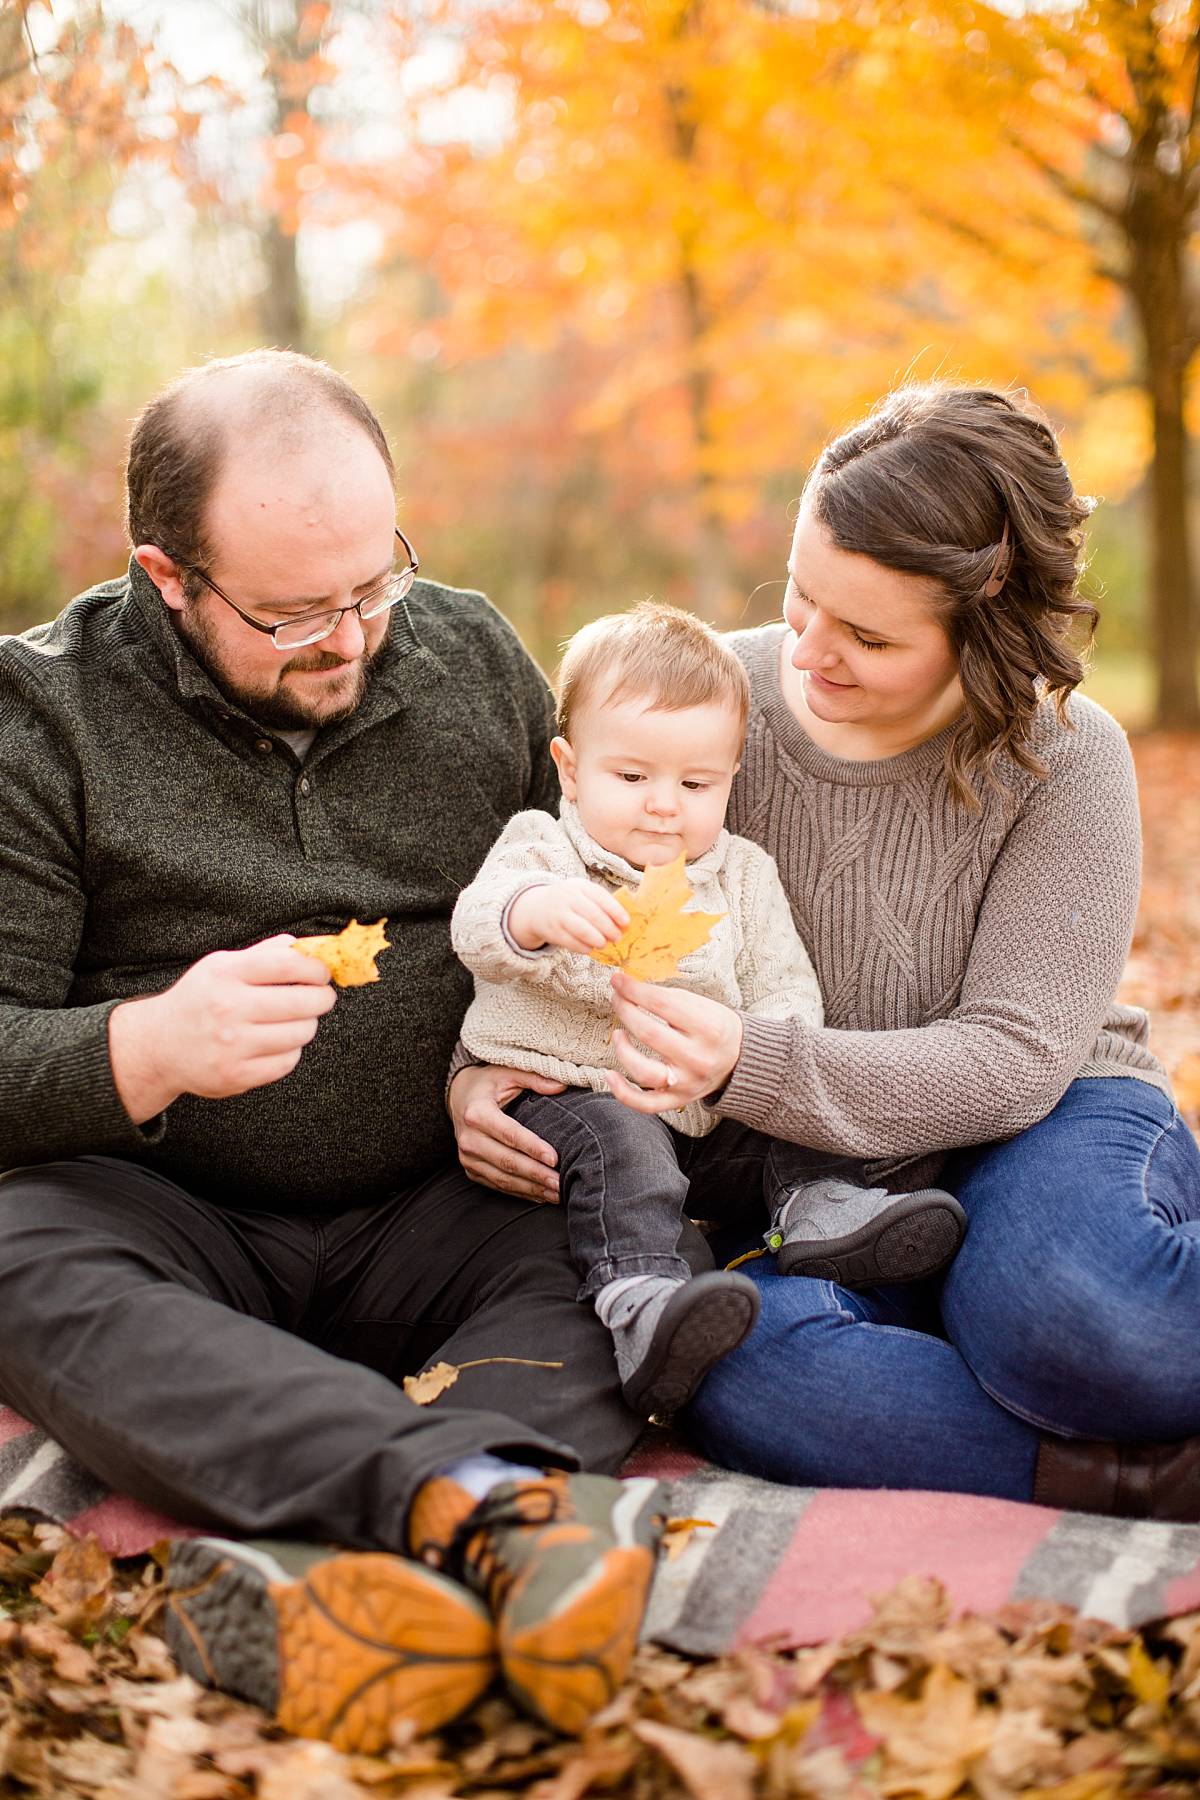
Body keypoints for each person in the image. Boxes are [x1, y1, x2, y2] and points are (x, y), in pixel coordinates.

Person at [0, 348, 675, 1755]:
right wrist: (145, 1047)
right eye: (296, 613)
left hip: (441, 1200)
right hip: (168, 1212)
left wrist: (507, 1060)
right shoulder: (40, 718)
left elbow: (553, 903)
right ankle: (486, 1510)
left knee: (636, 1254)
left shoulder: (472, 652)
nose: (353, 636)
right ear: (168, 575)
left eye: (376, 584)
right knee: (12, 1266)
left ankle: (355, 1568)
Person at [450, 382, 1200, 1522]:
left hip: (1033, 1123)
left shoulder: (1064, 757)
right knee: (735, 1368)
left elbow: (1013, 1061)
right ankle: (1120, 1471)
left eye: (867, 634)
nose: (809, 652)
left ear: (984, 626)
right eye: (801, 599)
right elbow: (538, 877)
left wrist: (746, 1061)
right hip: (803, 1180)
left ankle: (1032, 1325)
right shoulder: (704, 705)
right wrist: (480, 1077)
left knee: (1088, 1321)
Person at [450, 600, 967, 1414]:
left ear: (730, 777)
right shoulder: (545, 850)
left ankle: (818, 1209)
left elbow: (786, 990)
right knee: (626, 1146)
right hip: (575, 1089)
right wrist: (533, 912)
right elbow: (474, 924)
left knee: (796, 1104)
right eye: (631, 777)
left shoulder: (741, 874)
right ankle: (645, 1303)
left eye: (696, 784)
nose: (664, 806)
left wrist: (759, 1057)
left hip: (706, 1107)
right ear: (569, 766)